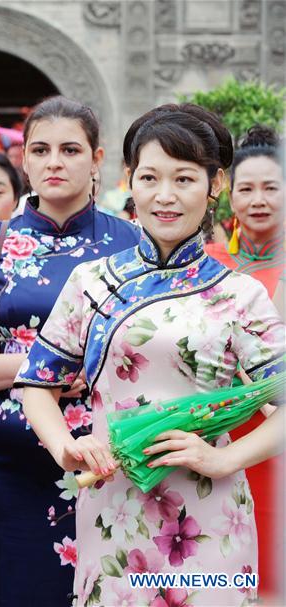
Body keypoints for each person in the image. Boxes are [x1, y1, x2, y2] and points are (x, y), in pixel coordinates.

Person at [19, 104, 285, 607]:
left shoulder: (240, 295)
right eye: (150, 177)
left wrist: (224, 457)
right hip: (112, 505)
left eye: (185, 179)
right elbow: (38, 385)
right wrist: (64, 447)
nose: (165, 196)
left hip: (209, 514)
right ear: (129, 180)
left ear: (215, 185)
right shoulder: (90, 283)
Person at [0, 96, 140, 605]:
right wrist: (41, 367)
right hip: (12, 467)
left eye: (71, 149)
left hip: (112, 465)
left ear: (97, 160)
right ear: (24, 159)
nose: (55, 162)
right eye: (41, 149)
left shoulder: (135, 244)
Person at [204, 124, 284, 601]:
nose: (258, 199)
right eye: (247, 189)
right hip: (214, 443)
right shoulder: (206, 265)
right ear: (229, 197)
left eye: (272, 187)